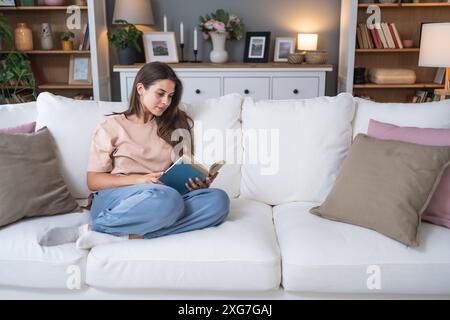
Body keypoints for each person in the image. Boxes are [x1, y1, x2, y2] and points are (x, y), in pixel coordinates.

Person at [39, 62, 230, 249]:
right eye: (160, 94)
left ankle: (120, 237)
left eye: (171, 96)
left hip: (163, 198)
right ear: (140, 89)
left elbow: (181, 171)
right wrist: (140, 180)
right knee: (168, 199)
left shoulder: (176, 126)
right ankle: (91, 227)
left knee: (218, 201)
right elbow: (93, 180)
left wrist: (198, 184)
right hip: (119, 199)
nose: (166, 102)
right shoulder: (112, 126)